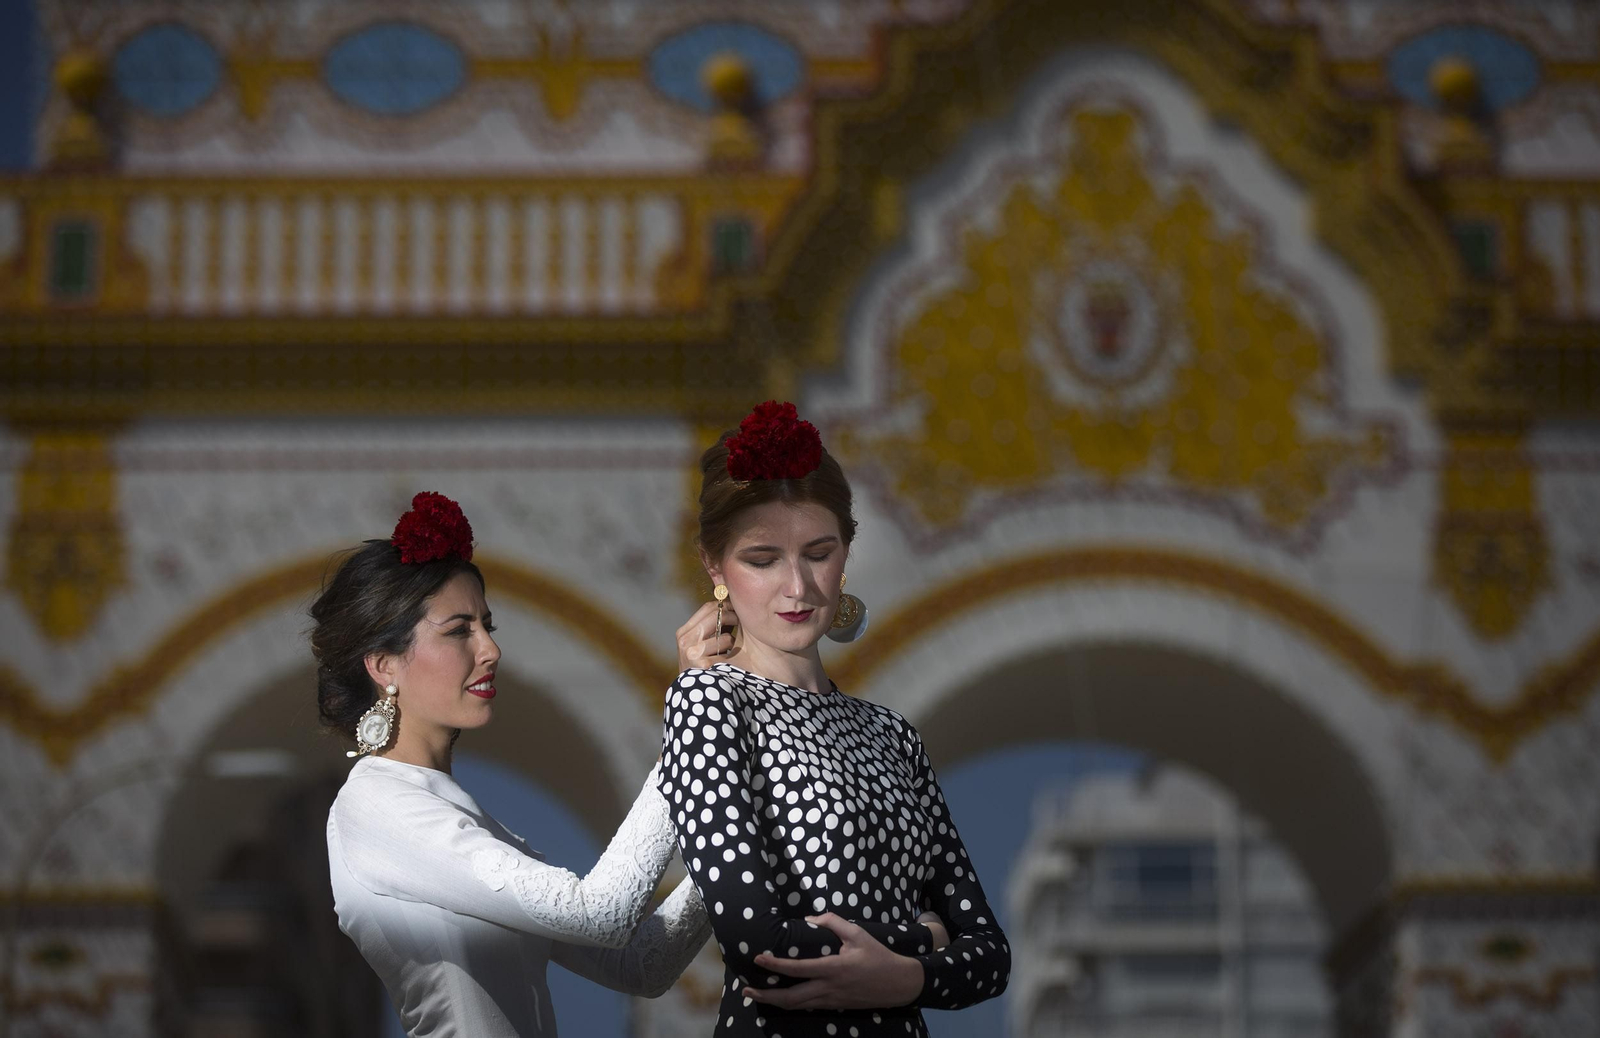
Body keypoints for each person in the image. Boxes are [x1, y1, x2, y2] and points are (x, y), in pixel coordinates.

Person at [660, 402, 1010, 1037]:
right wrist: (922, 939)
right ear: (716, 568)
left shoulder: (891, 733)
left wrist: (904, 976)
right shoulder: (709, 702)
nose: (797, 587)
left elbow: (990, 955)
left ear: (845, 554)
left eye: (817, 553)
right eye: (763, 560)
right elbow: (754, 945)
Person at [316, 491, 712, 1036]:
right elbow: (600, 913)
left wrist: (744, 839)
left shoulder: (456, 815)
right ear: (384, 665)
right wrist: (693, 727)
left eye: (487, 626)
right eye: (459, 630)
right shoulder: (376, 806)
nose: (490, 649)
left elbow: (640, 966)